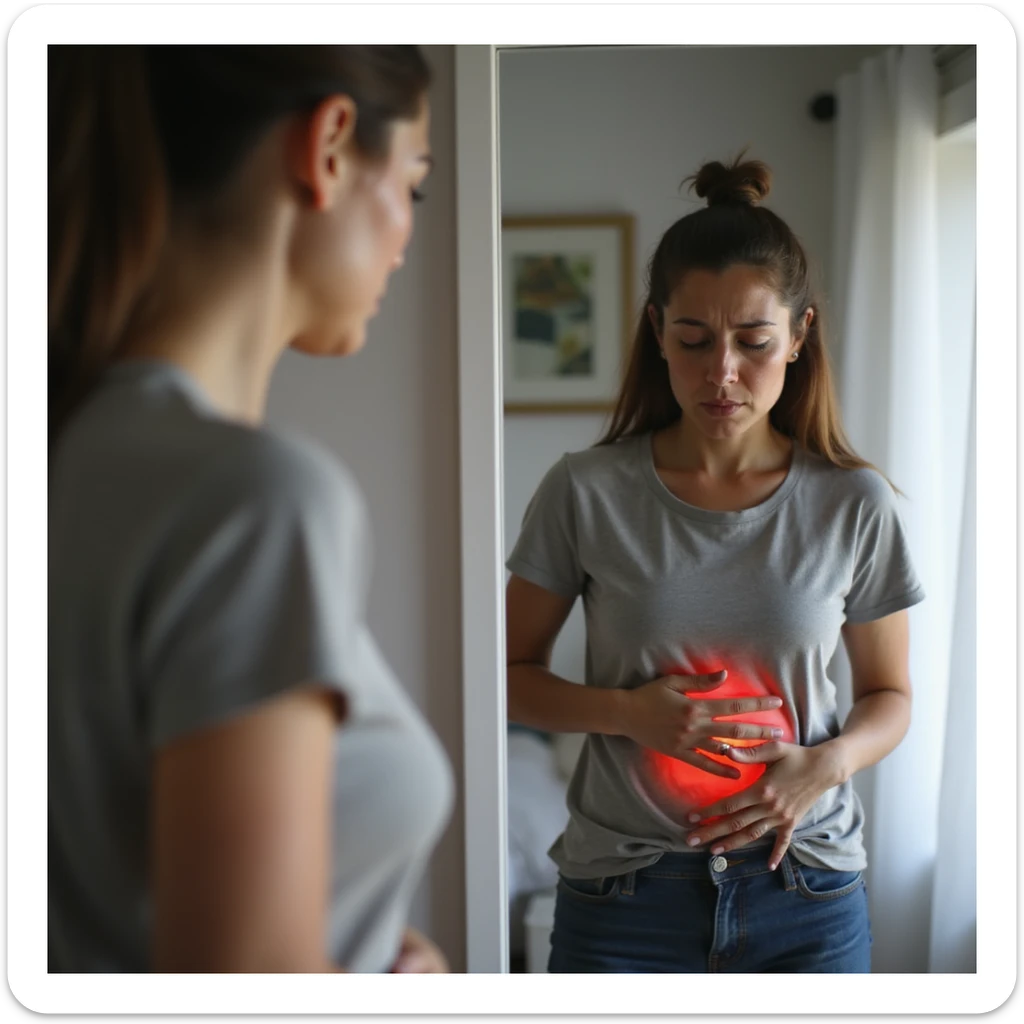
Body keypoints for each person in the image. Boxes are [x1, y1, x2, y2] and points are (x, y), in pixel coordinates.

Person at [48, 45, 453, 973]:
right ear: (330, 147)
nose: (404, 234)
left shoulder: (67, 454)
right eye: (414, 187)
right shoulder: (255, 501)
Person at [505, 155, 925, 973]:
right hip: (625, 899)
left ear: (800, 336)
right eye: (693, 339)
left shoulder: (855, 504)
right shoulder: (584, 492)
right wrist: (629, 715)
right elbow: (506, 679)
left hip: (803, 890)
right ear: (657, 328)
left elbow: (891, 696)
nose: (721, 372)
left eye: (753, 341)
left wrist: (823, 767)